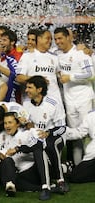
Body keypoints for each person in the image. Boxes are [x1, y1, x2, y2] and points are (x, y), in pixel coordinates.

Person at [54, 27, 94, 166]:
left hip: (84, 98)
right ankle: (79, 167)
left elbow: (90, 74)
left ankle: (90, 164)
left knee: (88, 133)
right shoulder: (56, 55)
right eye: (56, 39)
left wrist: (70, 77)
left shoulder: (80, 53)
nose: (58, 42)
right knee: (76, 136)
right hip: (69, 100)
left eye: (60, 38)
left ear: (68, 38)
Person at [22, 75, 68, 193]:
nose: (26, 90)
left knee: (49, 144)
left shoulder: (53, 103)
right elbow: (27, 124)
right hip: (37, 138)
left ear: (39, 89)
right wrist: (27, 124)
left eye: (30, 87)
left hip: (55, 136)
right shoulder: (26, 104)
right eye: (26, 87)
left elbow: (62, 128)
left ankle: (60, 180)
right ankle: (46, 183)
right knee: (39, 146)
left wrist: (48, 133)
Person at [2, 112, 52, 200]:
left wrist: (18, 149)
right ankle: (46, 188)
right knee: (11, 180)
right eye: (5, 123)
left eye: (10, 122)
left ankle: (45, 186)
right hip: (24, 174)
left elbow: (38, 146)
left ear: (17, 124)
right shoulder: (5, 138)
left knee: (38, 151)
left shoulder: (28, 133)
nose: (7, 126)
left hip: (37, 168)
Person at [16, 29, 62, 103]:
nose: (50, 41)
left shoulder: (55, 57)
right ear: (39, 39)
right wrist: (37, 80)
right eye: (47, 38)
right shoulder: (27, 56)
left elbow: (61, 76)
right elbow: (19, 78)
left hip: (54, 99)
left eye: (51, 39)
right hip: (33, 101)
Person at [0, 29, 23, 103]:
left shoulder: (18, 56)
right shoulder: (2, 55)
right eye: (1, 41)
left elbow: (16, 77)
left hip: (14, 97)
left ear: (12, 42)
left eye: (4, 40)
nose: (1, 43)